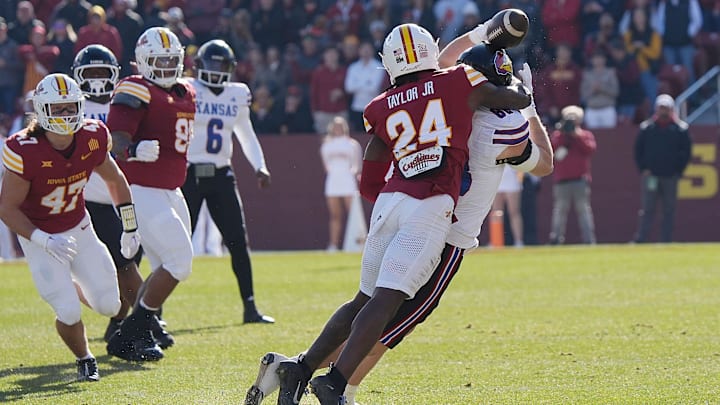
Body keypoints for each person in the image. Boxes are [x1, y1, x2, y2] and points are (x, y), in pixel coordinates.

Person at [244, 34, 552, 405]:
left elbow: (373, 168)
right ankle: (337, 384)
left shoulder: (385, 103)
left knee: (365, 299)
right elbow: (540, 155)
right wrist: (527, 99)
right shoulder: (475, 102)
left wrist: (483, 31)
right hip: (436, 211)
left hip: (392, 197)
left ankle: (299, 369)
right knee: (389, 308)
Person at [0, 73, 141, 381]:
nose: (66, 115)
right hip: (39, 237)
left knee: (110, 304)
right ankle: (84, 358)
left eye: (70, 107)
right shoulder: (24, 148)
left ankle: (71, 287)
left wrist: (130, 227)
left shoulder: (92, 136)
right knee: (67, 311)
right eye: (58, 109)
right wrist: (43, 240)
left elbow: (115, 179)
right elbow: (7, 208)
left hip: (79, 227)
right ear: (41, 110)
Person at [104, 26, 195, 362]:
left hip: (172, 190)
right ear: (142, 61)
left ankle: (137, 330)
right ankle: (133, 331)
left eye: (172, 59)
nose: (167, 66)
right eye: (158, 60)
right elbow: (114, 138)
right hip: (141, 189)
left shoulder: (186, 90)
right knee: (180, 261)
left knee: (164, 264)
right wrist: (134, 149)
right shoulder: (136, 88)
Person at [71, 44, 169, 346]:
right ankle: (147, 323)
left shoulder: (125, 102)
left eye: (104, 73)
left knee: (129, 266)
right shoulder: (73, 105)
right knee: (122, 268)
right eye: (92, 73)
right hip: (91, 202)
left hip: (126, 198)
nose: (98, 80)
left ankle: (127, 322)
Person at [182, 39, 274, 324]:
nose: (215, 70)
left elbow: (245, 133)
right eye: (210, 64)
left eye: (221, 65)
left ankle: (250, 306)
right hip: (189, 174)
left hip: (222, 174)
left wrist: (260, 165)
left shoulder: (237, 94)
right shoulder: (187, 89)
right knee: (178, 245)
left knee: (237, 241)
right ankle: (153, 312)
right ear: (198, 66)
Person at [632, 94, 691, 243]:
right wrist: (643, 168)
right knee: (647, 209)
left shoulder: (680, 129)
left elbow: (686, 153)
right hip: (651, 175)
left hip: (670, 176)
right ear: (656, 109)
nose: (663, 111)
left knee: (669, 210)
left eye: (666, 108)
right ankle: (641, 239)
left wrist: (678, 171)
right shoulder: (647, 128)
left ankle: (666, 240)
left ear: (671, 109)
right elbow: (638, 151)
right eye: (661, 108)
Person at [548, 105, 597, 245]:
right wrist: (564, 134)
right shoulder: (558, 135)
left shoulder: (585, 135)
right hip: (562, 180)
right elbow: (553, 151)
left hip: (580, 180)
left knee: (584, 211)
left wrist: (576, 136)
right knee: (559, 211)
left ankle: (589, 240)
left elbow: (590, 149)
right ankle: (556, 238)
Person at [320, 116, 363, 252]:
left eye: (340, 126)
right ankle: (333, 245)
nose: (337, 129)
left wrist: (351, 173)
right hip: (333, 181)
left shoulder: (352, 144)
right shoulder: (326, 145)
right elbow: (326, 165)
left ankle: (357, 242)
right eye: (335, 126)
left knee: (353, 213)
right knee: (335, 215)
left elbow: (356, 164)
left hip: (348, 180)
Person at [492, 165, 524, 247]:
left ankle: (519, 241)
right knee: (496, 213)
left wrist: (519, 180)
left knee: (514, 212)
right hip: (496, 181)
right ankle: (495, 241)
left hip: (512, 181)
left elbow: (521, 166)